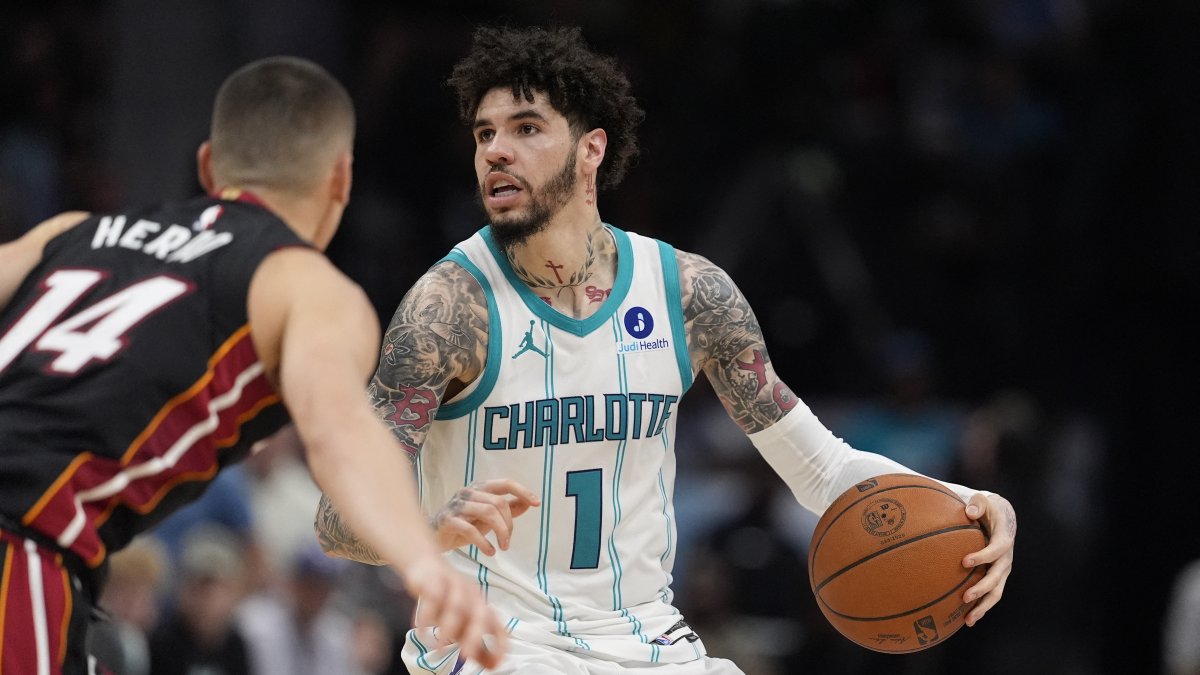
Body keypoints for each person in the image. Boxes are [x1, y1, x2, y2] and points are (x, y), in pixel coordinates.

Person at [314, 26, 1018, 675]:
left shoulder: (688, 293)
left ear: (591, 149)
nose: (496, 150)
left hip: (648, 642)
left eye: (526, 128)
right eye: (484, 133)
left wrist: (965, 504)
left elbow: (821, 468)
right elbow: (336, 519)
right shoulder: (447, 310)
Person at [0, 56, 505, 674]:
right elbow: (341, 434)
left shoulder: (71, 232)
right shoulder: (306, 286)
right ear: (341, 177)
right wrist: (424, 562)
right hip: (20, 539)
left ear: (208, 166)